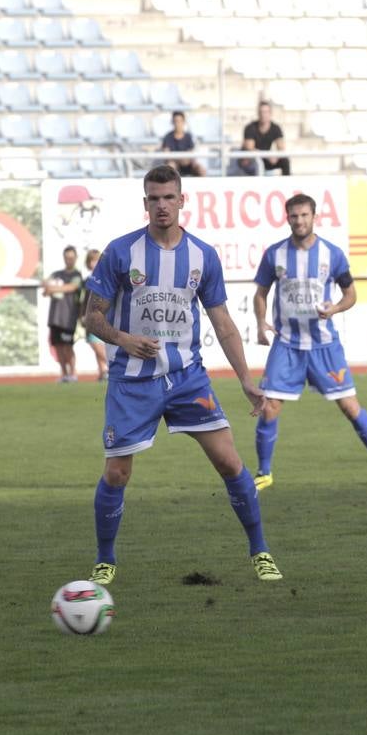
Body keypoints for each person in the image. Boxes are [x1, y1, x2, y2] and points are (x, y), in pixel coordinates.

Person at [81, 164, 281, 585]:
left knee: (229, 461)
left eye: (169, 197)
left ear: (182, 200)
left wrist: (246, 379)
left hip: (186, 377)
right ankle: (105, 559)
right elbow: (91, 316)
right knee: (117, 473)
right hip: (132, 381)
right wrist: (123, 338)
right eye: (154, 199)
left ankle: (260, 550)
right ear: (145, 203)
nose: (161, 206)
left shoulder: (202, 256)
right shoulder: (120, 252)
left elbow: (223, 322)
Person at [252, 193, 367, 490]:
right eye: (294, 216)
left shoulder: (331, 254)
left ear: (314, 216)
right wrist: (260, 322)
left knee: (350, 406)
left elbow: (350, 295)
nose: (299, 221)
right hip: (288, 344)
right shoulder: (275, 255)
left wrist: (335, 309)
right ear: (288, 218)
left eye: (304, 215)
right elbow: (261, 292)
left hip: (324, 346)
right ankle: (264, 472)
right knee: (269, 407)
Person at [44, 245, 85, 384]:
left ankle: (73, 373)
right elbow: (45, 286)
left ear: (76, 258)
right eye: (67, 258)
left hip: (69, 317)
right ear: (64, 258)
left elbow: (71, 287)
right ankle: (64, 374)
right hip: (55, 316)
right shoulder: (56, 274)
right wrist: (48, 287)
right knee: (58, 346)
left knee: (68, 346)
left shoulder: (76, 275)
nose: (69, 260)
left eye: (72, 258)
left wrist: (53, 288)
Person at [237, 101, 289, 176]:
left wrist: (275, 157)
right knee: (254, 163)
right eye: (261, 112)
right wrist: (267, 155)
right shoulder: (250, 128)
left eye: (266, 112)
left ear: (270, 113)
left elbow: (281, 148)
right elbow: (250, 149)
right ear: (258, 113)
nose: (263, 115)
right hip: (251, 159)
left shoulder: (275, 128)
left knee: (285, 161)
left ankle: (287, 184)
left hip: (264, 158)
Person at [80, 248, 109, 382]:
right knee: (95, 343)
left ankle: (109, 368)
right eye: (92, 260)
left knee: (97, 344)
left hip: (101, 316)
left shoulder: (106, 279)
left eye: (97, 260)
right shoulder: (87, 281)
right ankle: (102, 371)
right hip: (89, 316)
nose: (95, 263)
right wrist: (82, 315)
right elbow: (83, 300)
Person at [159, 111, 206, 179]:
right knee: (171, 166)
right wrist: (180, 159)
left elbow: (191, 153)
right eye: (175, 121)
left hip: (187, 164)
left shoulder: (188, 136)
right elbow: (167, 154)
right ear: (172, 122)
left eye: (180, 121)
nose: (177, 123)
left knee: (201, 169)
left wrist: (185, 159)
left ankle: (202, 187)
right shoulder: (168, 137)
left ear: (184, 122)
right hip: (175, 164)